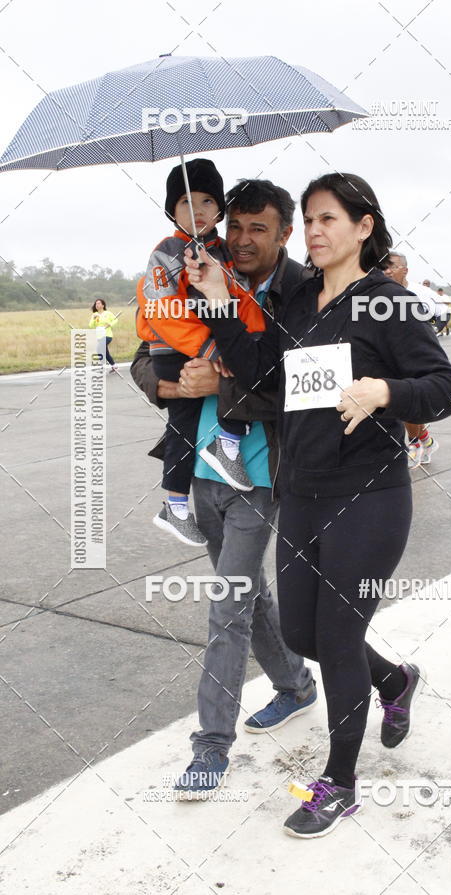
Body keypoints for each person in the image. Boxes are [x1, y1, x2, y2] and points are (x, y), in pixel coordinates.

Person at [186, 172, 451, 838]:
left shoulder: (389, 303)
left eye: (327, 219)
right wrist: (221, 300)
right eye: (307, 219)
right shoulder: (299, 300)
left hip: (369, 495)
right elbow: (260, 374)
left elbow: (445, 389)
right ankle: (393, 681)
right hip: (301, 490)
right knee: (305, 635)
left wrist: (384, 393)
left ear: (364, 227)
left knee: (336, 638)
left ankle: (339, 784)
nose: (313, 230)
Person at [131, 178, 316, 798]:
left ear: (284, 234)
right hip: (202, 471)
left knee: (227, 604)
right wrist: (174, 386)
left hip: (260, 476)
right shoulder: (197, 266)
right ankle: (294, 684)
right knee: (248, 596)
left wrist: (220, 386)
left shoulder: (306, 294)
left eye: (256, 228)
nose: (239, 238)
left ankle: (211, 746)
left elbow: (299, 387)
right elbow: (146, 351)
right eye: (234, 225)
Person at [135, 158, 264, 546]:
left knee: (186, 423)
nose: (199, 211)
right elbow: (161, 312)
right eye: (186, 203)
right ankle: (225, 446)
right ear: (171, 210)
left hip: (212, 343)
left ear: (220, 209)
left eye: (208, 201)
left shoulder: (222, 251)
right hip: (175, 350)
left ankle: (175, 505)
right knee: (198, 405)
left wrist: (255, 333)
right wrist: (210, 348)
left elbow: (241, 298)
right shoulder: (166, 252)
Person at [383, 254, 440, 467]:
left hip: (417, 357)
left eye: (392, 267)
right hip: (390, 356)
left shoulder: (422, 293)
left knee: (409, 404)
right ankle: (426, 440)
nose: (387, 271)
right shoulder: (377, 294)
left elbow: (441, 314)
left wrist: (430, 337)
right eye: (384, 267)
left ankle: (414, 444)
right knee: (400, 404)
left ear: (405, 270)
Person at [89, 299, 118, 372]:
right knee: (105, 352)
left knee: (99, 349)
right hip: (99, 336)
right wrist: (94, 319)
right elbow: (91, 325)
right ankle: (114, 366)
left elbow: (115, 320)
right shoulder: (94, 315)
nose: (97, 305)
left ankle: (102, 366)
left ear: (103, 305)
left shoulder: (108, 313)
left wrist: (110, 324)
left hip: (107, 335)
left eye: (99, 303)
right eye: (96, 304)